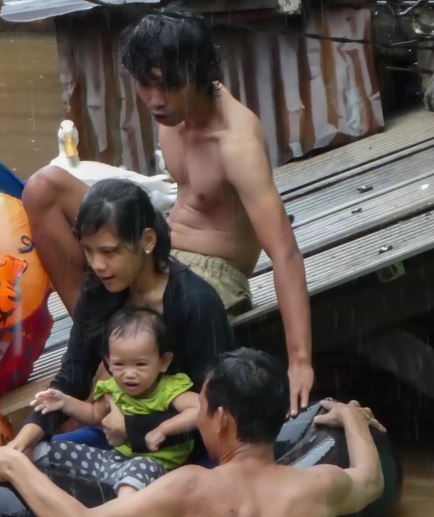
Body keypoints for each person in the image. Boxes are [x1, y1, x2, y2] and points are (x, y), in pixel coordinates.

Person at [23, 9, 315, 417]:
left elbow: (285, 252)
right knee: (43, 190)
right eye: (146, 86)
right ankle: (102, 346)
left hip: (214, 273)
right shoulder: (171, 115)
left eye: (170, 86)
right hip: (163, 246)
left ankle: (121, 361)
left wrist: (299, 361)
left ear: (198, 75)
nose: (156, 100)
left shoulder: (235, 142)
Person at [0, 348, 387, 517]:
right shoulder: (322, 486)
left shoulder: (190, 487)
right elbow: (371, 481)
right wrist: (351, 416)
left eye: (203, 408)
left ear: (224, 421)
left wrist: (14, 464)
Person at [0, 178, 234, 468]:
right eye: (89, 251)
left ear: (147, 241)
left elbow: (216, 411)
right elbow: (74, 375)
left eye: (110, 252)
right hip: (121, 445)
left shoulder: (197, 304)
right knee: (35, 461)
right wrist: (22, 441)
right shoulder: (99, 292)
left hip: (184, 455)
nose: (98, 265)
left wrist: (135, 429)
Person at [31, 306, 200, 496]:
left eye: (141, 364)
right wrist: (64, 402)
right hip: (115, 461)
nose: (129, 374)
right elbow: (93, 413)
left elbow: (199, 409)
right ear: (108, 361)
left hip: (157, 469)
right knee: (43, 451)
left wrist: (163, 429)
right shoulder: (113, 387)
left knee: (135, 475)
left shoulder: (168, 389)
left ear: (164, 362)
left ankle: (123, 513)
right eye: (119, 364)